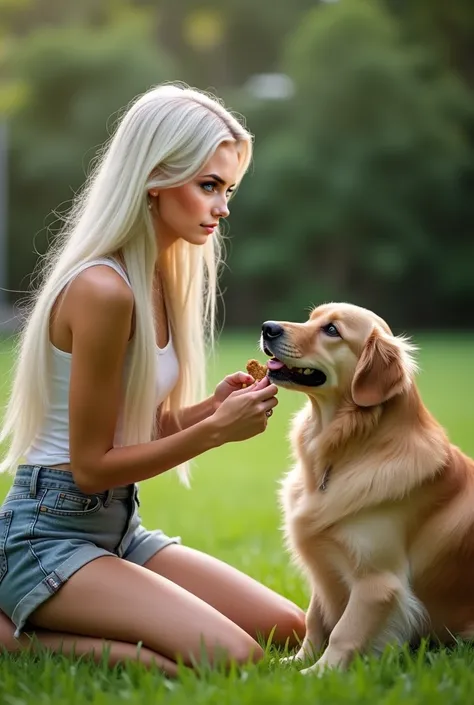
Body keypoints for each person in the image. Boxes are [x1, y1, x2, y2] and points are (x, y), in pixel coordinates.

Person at [0, 83, 305, 675]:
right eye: (208, 185)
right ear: (155, 178)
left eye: (228, 189)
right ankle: (13, 638)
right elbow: (89, 466)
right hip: (47, 535)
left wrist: (205, 409)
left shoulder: (157, 278)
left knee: (291, 629)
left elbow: (145, 425)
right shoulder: (103, 289)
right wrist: (215, 432)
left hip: (118, 527)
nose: (223, 207)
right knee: (230, 657)